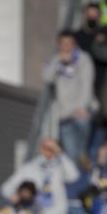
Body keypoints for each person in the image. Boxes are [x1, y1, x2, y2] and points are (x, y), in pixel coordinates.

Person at [42, 30, 96, 164]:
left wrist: (82, 107)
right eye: (63, 43)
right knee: (71, 155)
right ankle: (80, 173)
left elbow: (86, 84)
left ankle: (84, 154)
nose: (66, 47)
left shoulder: (83, 59)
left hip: (81, 110)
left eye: (69, 43)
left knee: (82, 129)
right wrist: (57, 62)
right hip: (64, 114)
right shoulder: (55, 60)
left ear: (74, 44)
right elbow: (47, 78)